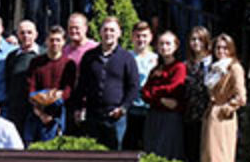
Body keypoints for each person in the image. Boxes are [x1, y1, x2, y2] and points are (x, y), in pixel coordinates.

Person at [72, 17, 139, 150]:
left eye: (112, 30)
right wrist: (78, 108)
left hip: (115, 117)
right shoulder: (89, 56)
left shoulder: (127, 58)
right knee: (92, 155)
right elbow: (81, 85)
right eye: (106, 30)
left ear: (119, 33)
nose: (109, 33)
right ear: (100, 32)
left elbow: (133, 86)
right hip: (93, 115)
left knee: (114, 155)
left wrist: (123, 108)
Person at [201, 34, 246, 162]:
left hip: (223, 118)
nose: (221, 51)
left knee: (222, 161)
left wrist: (228, 107)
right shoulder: (214, 68)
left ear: (231, 49)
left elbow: (241, 96)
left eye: (225, 48)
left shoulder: (234, 68)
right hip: (210, 116)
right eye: (218, 48)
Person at [25, 25, 76, 143]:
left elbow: (68, 90)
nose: (54, 43)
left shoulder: (69, 64)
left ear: (64, 42)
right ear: (46, 41)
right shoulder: (36, 62)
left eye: (58, 40)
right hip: (36, 111)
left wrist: (53, 105)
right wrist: (39, 110)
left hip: (57, 113)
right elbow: (30, 87)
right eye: (51, 40)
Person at [142, 30, 186, 160]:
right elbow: (144, 93)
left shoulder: (179, 67)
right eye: (161, 44)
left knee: (167, 153)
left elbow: (174, 88)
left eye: (168, 43)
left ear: (176, 46)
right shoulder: (156, 69)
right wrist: (161, 99)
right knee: (151, 152)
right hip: (154, 116)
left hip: (170, 118)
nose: (164, 47)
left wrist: (154, 93)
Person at [182, 26, 212, 162]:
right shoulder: (186, 65)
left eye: (200, 39)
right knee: (191, 153)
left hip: (208, 114)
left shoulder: (214, 64)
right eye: (193, 39)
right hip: (190, 113)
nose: (196, 43)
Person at [125, 21, 157, 149]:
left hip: (149, 108)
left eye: (144, 36)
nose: (141, 39)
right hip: (131, 108)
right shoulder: (126, 57)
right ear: (132, 37)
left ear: (150, 37)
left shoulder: (156, 59)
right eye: (138, 36)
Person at [4, 20, 40, 134]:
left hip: (38, 110)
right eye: (22, 33)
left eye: (29, 32)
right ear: (18, 35)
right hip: (16, 111)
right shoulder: (11, 57)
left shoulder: (44, 54)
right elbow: (7, 81)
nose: (26, 36)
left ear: (36, 34)